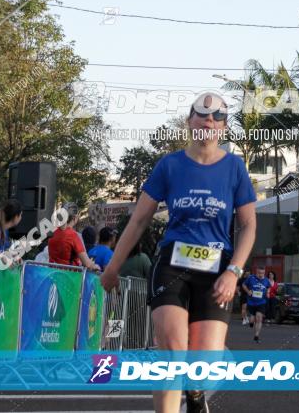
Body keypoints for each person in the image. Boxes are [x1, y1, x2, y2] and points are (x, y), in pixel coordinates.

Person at [100, 92, 257, 413]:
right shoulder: (169, 165)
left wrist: (234, 271)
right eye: (202, 114)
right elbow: (139, 219)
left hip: (217, 269)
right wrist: (113, 267)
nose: (208, 121)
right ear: (189, 121)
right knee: (171, 354)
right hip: (172, 263)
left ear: (223, 128)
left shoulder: (235, 168)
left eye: (217, 117)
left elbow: (249, 226)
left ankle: (196, 391)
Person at [242, 265, 271, 344]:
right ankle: (251, 322)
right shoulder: (251, 278)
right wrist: (248, 291)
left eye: (262, 273)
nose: (260, 275)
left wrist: (268, 292)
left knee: (259, 318)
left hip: (261, 302)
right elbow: (244, 285)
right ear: (256, 272)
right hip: (251, 302)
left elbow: (268, 287)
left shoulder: (266, 280)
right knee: (252, 319)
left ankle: (256, 336)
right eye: (259, 273)